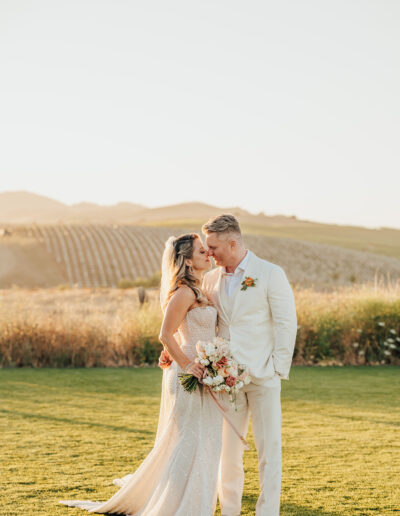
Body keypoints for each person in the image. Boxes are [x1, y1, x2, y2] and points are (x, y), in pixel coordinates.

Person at [59, 233, 224, 515]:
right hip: (187, 373)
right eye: (201, 251)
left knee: (202, 438)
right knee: (189, 438)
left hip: (203, 370)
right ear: (186, 259)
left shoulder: (202, 290)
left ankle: (195, 497)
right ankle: (178, 502)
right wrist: (188, 365)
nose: (207, 254)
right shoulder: (183, 292)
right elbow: (165, 334)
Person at [202, 214, 297, 516]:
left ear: (233, 243)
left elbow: (286, 322)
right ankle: (230, 511)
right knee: (227, 452)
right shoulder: (210, 279)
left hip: (263, 375)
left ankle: (267, 512)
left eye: (213, 247)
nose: (208, 253)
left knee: (269, 449)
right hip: (225, 379)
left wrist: (277, 368)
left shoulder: (270, 273)